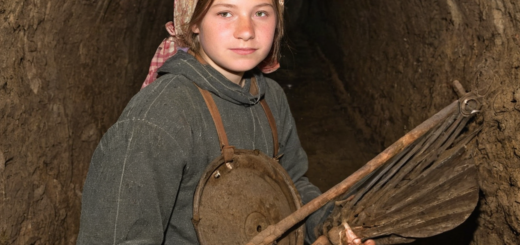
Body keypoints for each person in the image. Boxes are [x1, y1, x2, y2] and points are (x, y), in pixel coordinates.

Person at [76, 0, 375, 244]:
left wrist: (327, 225)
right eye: (225, 12)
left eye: (260, 12)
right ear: (193, 22)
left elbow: (293, 185)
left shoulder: (270, 98)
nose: (246, 31)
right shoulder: (157, 120)